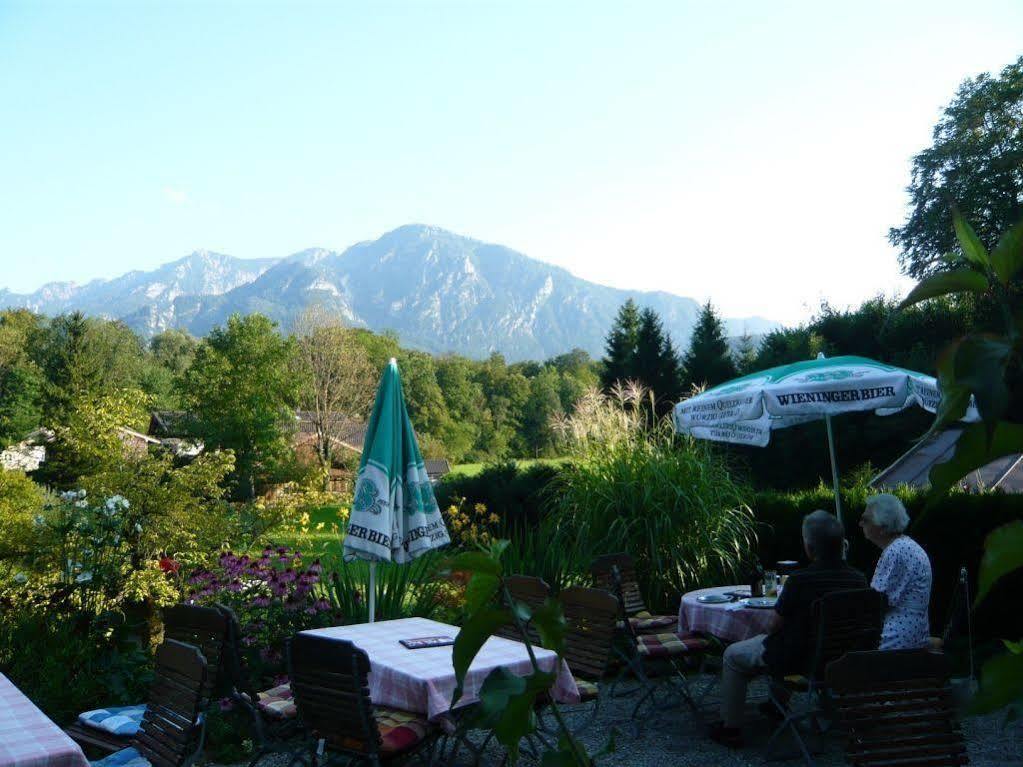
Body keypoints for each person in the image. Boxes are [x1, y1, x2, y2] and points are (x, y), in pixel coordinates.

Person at [709, 510, 867, 747]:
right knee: (787, 642)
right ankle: (776, 706)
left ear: (809, 547)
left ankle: (730, 728)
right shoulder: (859, 579)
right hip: (842, 660)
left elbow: (774, 626)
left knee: (733, 654)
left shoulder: (800, 581)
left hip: (801, 663)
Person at [859, 493, 931, 650]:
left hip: (895, 638)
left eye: (865, 519)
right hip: (913, 632)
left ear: (883, 527)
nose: (860, 523)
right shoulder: (906, 546)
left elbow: (876, 602)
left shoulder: (896, 552)